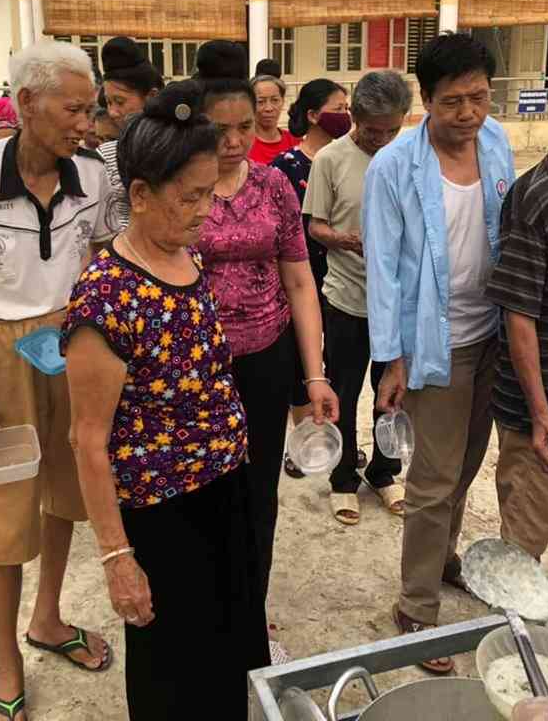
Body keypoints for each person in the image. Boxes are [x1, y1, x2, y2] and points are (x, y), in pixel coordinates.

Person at [62, 81, 269, 721]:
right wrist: (116, 558)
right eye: (189, 196)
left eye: (208, 193)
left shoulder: (186, 256)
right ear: (140, 194)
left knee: (227, 645)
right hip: (162, 513)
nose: (205, 210)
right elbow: (87, 440)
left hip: (224, 489)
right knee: (174, 668)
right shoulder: (106, 296)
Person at [0, 41, 116, 721]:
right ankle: (6, 657)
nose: (86, 124)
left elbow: (100, 260)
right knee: (8, 506)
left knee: (68, 490)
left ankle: (48, 617)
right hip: (1, 350)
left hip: (71, 343)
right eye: (75, 110)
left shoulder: (92, 174)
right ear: (28, 103)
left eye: (91, 110)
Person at [364, 33, 515, 674]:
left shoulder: (497, 142)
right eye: (453, 102)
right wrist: (392, 360)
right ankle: (416, 606)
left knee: (467, 464)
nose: (468, 113)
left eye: (478, 97)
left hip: (491, 336)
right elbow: (382, 270)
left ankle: (443, 558)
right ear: (426, 100)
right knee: (431, 480)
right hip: (434, 344)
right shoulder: (394, 167)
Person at [196, 75, 339, 658]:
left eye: (242, 127)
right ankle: (205, 611)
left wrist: (314, 374)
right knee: (203, 490)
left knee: (258, 492)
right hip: (194, 368)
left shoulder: (274, 185)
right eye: (219, 129)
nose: (233, 141)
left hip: (265, 359)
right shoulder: (179, 187)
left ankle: (249, 616)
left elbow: (300, 281)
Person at [304, 71, 412, 525]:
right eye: (373, 130)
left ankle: (385, 473)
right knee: (343, 393)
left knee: (394, 394)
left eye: (392, 130)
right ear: (354, 116)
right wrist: (347, 240)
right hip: (347, 299)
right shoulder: (330, 159)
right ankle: (343, 478)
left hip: (398, 303)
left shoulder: (409, 158)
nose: (382, 140)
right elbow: (315, 226)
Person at [486, 78, 548, 561]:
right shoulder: (536, 199)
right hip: (544, 415)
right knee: (523, 547)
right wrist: (541, 413)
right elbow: (519, 316)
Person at [271, 78, 350, 479]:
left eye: (347, 107)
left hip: (342, 276)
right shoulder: (285, 166)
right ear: (315, 114)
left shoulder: (347, 159)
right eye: (338, 107)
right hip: (299, 277)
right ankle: (302, 438)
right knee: (300, 357)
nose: (346, 114)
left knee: (335, 359)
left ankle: (330, 435)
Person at [98, 36, 164, 228]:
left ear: (152, 97)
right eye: (108, 102)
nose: (112, 112)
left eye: (120, 102)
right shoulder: (105, 157)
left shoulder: (179, 149)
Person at [249, 74, 299, 165]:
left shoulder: (295, 142)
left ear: (283, 101)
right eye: (261, 102)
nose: (269, 108)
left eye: (275, 100)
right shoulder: (243, 143)